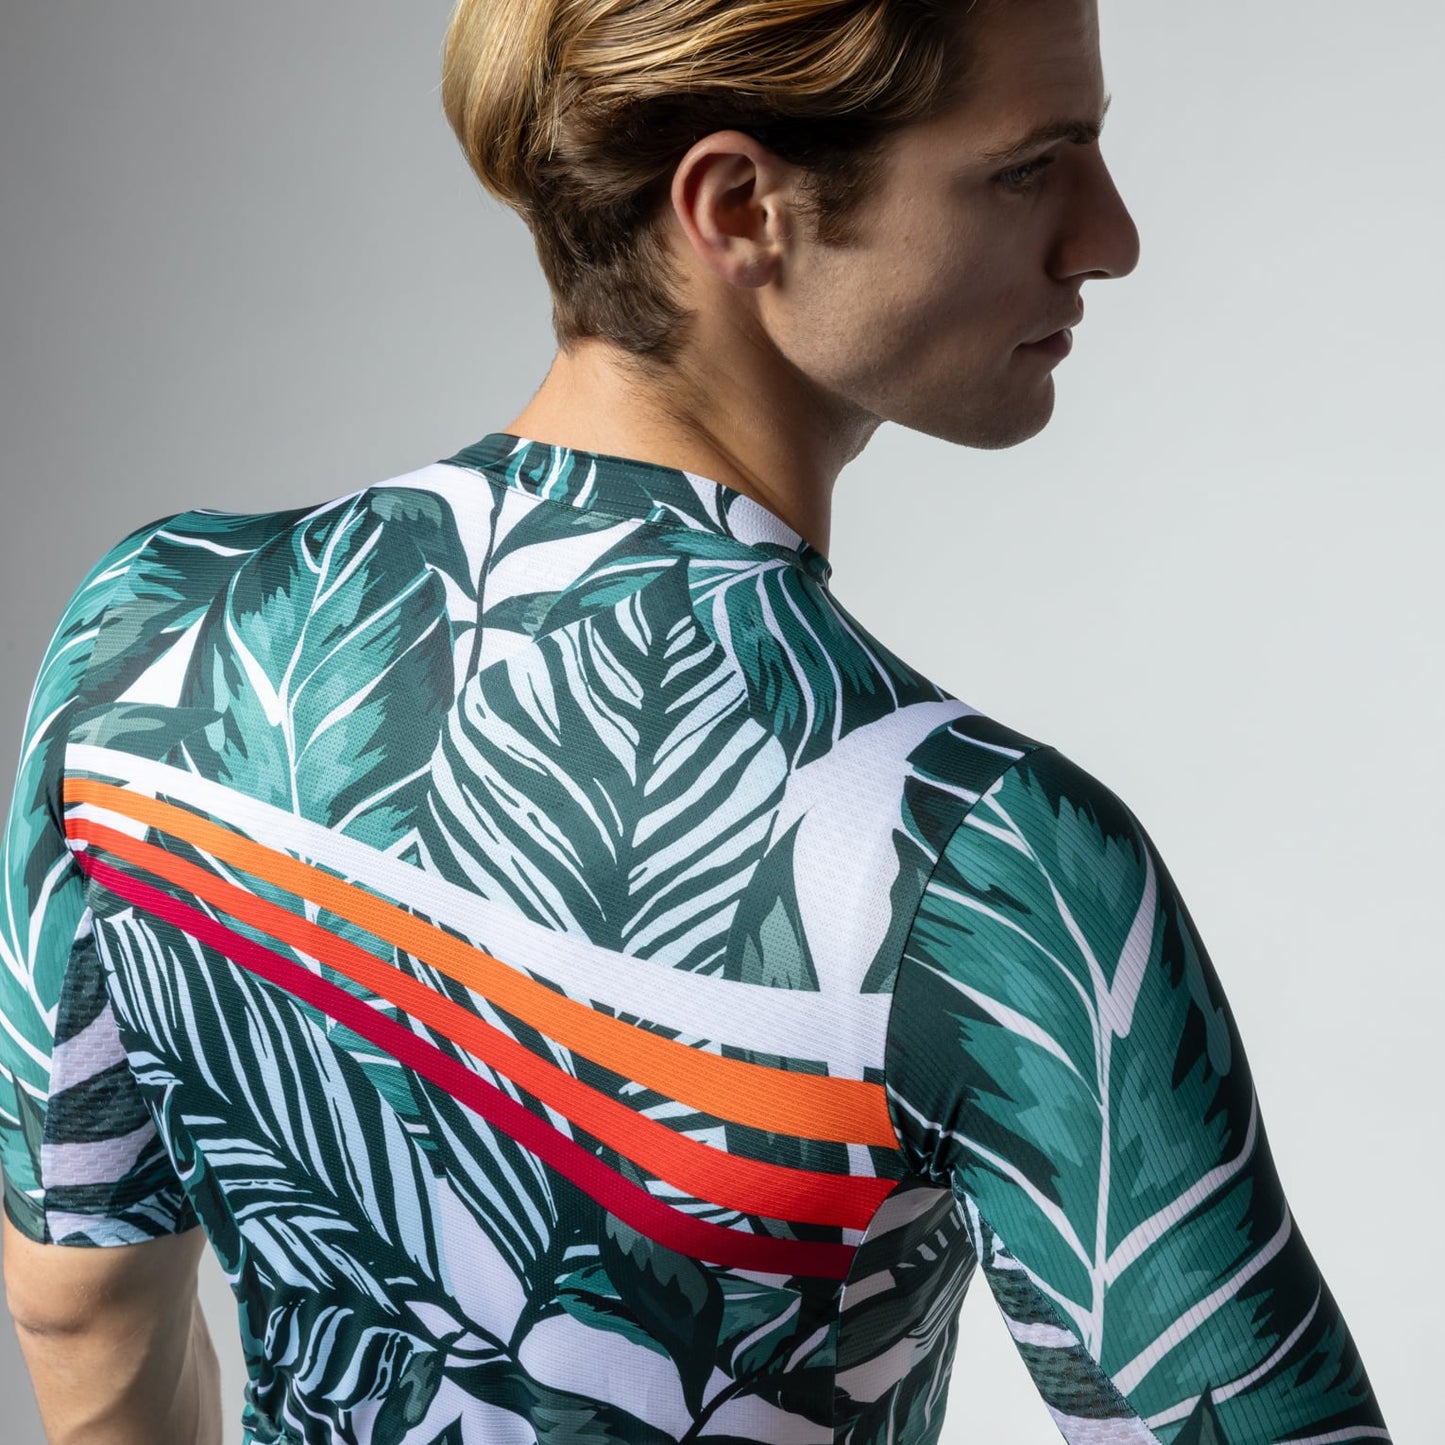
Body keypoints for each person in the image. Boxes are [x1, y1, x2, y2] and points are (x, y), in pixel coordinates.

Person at [0, 0, 1395, 1440]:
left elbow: (80, 1310)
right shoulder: (982, 865)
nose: (1110, 237)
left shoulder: (150, 632)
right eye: (1028, 167)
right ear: (741, 209)